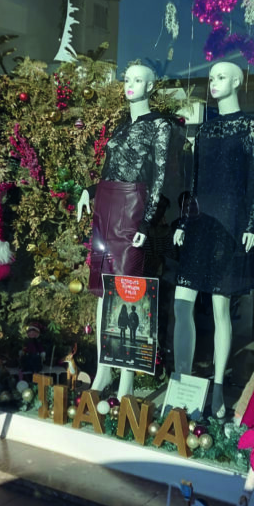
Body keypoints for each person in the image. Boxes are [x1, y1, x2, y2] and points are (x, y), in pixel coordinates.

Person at [173, 60, 254, 418]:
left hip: (230, 224)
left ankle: (217, 388)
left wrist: (253, 225)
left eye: (221, 77)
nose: (213, 82)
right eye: (211, 77)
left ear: (237, 82)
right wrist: (184, 222)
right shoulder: (206, 130)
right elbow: (194, 181)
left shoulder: (251, 126)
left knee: (219, 308)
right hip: (200, 224)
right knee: (182, 303)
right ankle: (181, 382)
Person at [77, 62, 171, 398]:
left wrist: (146, 221)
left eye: (138, 80)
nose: (130, 85)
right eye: (127, 79)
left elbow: (159, 176)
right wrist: (89, 190)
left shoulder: (159, 125)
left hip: (133, 206)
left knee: (128, 289)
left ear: (150, 86)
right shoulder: (120, 125)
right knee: (103, 290)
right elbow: (109, 169)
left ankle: (127, 377)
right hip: (106, 204)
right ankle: (103, 370)